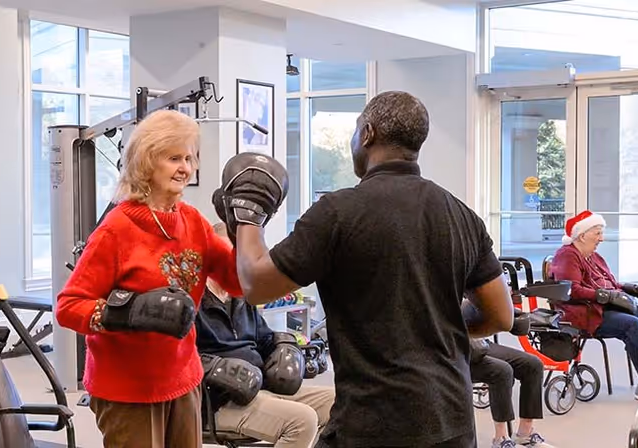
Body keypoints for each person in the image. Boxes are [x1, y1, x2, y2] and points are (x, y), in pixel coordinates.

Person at [211, 91, 515, 447]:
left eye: (355, 130)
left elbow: (257, 285)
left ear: (367, 134)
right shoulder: (461, 215)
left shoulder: (338, 212)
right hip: (453, 420)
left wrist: (249, 216)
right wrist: (434, 322)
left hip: (375, 423)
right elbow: (501, 315)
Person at [55, 110, 243, 448]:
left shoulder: (193, 222)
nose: (185, 167)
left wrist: (244, 228)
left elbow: (239, 282)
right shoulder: (116, 230)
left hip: (183, 379)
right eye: (174, 158)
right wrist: (127, 313)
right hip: (126, 389)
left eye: (189, 157)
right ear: (146, 161)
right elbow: (69, 307)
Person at [196, 222, 336, 448]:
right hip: (220, 403)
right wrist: (221, 370)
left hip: (261, 388)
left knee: (340, 403)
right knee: (302, 420)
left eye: (235, 256)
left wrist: (285, 347)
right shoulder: (194, 302)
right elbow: (183, 359)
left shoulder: (241, 299)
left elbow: (266, 339)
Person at [549, 210, 638, 401]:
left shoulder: (594, 257)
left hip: (607, 307)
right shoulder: (567, 256)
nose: (602, 239)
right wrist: (604, 296)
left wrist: (632, 289)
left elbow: (610, 283)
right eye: (597, 233)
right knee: (632, 325)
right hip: (585, 314)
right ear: (582, 235)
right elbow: (571, 290)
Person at [469, 338, 554, 448]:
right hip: (453, 347)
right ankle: (501, 439)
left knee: (533, 365)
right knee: (502, 371)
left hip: (478, 342)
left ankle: (524, 434)